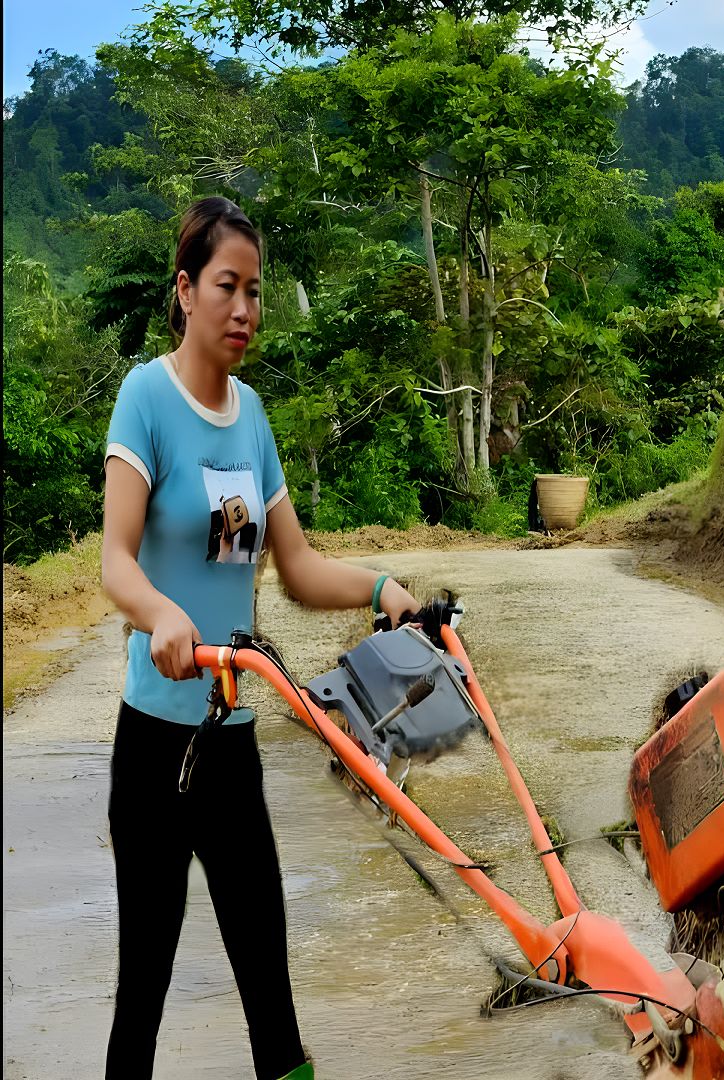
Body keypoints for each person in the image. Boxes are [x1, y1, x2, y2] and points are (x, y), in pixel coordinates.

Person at [100, 196, 421, 1077]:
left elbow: (298, 569)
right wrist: (164, 615)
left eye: (254, 291)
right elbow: (115, 563)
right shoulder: (146, 399)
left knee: (270, 995)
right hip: (157, 747)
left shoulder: (252, 415)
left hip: (231, 743)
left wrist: (384, 588)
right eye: (226, 287)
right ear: (185, 290)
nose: (244, 309)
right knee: (145, 990)